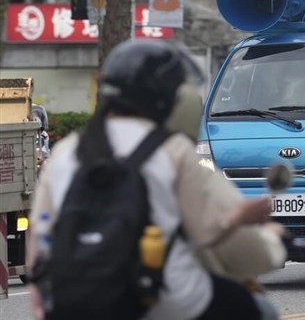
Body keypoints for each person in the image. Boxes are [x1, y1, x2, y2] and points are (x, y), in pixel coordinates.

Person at [27, 40, 285, 320]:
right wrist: (271, 243)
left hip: (71, 307)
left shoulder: (66, 153)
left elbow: (39, 243)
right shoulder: (172, 151)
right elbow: (234, 244)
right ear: (165, 98)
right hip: (163, 303)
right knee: (262, 310)